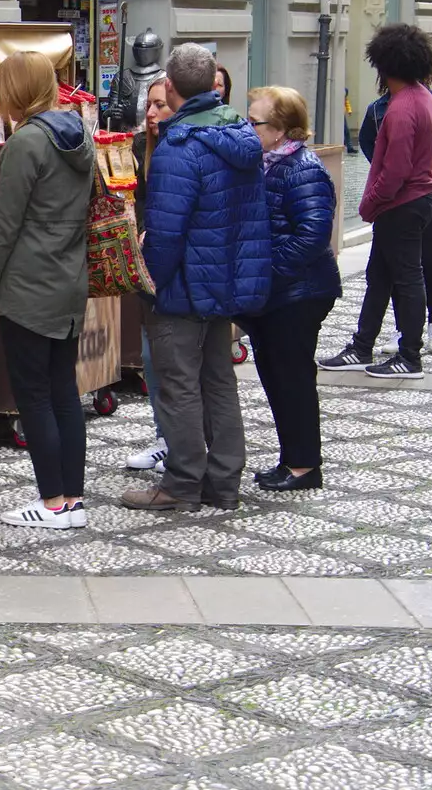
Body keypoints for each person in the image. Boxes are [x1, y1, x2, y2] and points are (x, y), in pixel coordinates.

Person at [121, 43, 270, 512]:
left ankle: (182, 483)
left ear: (170, 85)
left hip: (184, 285)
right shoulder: (241, 134)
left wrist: (150, 284)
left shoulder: (178, 145)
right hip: (226, 280)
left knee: (178, 384)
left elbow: (165, 231)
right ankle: (224, 481)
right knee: (218, 380)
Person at [0, 50, 95, 529]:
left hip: (28, 286)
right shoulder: (78, 134)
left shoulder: (26, 142)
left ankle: (52, 503)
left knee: (35, 396)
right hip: (68, 280)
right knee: (64, 390)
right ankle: (73, 501)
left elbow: (3, 227)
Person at [320, 25, 432, 379]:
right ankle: (362, 346)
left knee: (405, 279)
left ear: (384, 65)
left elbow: (395, 171)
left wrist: (369, 204)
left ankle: (409, 357)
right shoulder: (423, 97)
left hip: (401, 206)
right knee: (380, 277)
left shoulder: (402, 109)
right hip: (413, 202)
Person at [239, 86, 341, 491]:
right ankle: (291, 458)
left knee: (293, 377)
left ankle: (304, 466)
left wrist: (267, 272)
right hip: (277, 293)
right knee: (276, 375)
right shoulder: (267, 163)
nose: (248, 127)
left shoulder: (304, 168)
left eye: (255, 121)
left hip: (301, 292)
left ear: (280, 129)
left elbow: (314, 235)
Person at [359, 84, 432, 354]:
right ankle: (403, 329)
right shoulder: (379, 109)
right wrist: (382, 167)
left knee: (426, 258)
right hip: (396, 192)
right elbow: (365, 140)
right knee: (395, 264)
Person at [125, 74, 174, 475]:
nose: (153, 113)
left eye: (161, 105)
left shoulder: (184, 147)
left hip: (176, 268)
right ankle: (165, 437)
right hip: (146, 265)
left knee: (176, 359)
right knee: (149, 357)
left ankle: (184, 442)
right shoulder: (141, 146)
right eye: (150, 106)